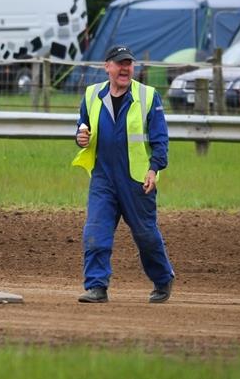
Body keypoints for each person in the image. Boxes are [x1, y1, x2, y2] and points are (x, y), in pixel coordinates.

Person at [71, 45, 174, 304]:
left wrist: (154, 169)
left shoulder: (148, 96)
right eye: (119, 63)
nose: (125, 68)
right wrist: (80, 137)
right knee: (95, 231)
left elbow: (160, 140)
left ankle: (163, 279)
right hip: (103, 178)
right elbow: (83, 127)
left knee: (145, 236)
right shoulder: (92, 94)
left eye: (129, 63)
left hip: (137, 181)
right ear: (107, 67)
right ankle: (96, 286)